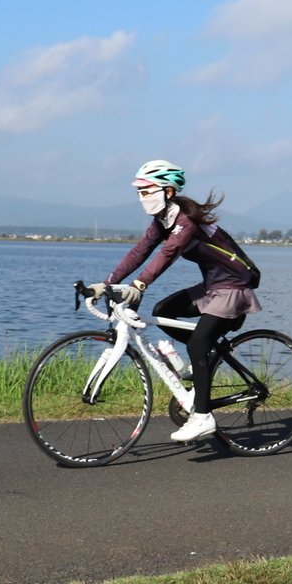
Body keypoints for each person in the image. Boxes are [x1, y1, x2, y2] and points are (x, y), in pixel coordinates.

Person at [89, 159, 262, 443]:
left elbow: (167, 254)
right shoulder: (163, 220)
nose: (141, 197)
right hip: (212, 287)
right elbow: (139, 252)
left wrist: (139, 284)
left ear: (167, 192)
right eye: (139, 192)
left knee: (196, 343)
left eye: (146, 191)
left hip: (233, 287)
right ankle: (196, 365)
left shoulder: (186, 220)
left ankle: (203, 417)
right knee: (163, 311)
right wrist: (106, 283)